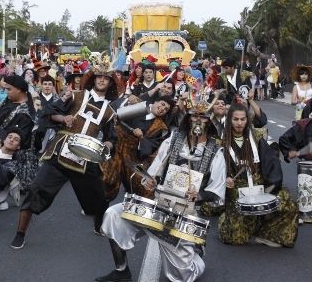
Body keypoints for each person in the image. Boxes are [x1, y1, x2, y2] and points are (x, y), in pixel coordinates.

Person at [95, 97, 226, 282]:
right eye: (193, 116)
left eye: (203, 118)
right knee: (113, 215)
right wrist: (150, 181)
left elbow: (217, 192)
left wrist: (200, 195)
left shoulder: (216, 151)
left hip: (184, 213)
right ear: (187, 119)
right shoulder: (172, 140)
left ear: (209, 121)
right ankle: (121, 271)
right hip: (158, 204)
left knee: (180, 276)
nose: (197, 121)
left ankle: (195, 251)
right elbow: (153, 173)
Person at [10, 64, 118, 249]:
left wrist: (108, 144)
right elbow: (50, 113)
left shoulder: (110, 112)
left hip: (85, 159)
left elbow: (111, 139)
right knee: (36, 189)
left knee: (101, 197)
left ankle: (99, 225)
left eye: (106, 78)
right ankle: (20, 233)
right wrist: (64, 119)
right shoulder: (75, 95)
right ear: (93, 79)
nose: (101, 80)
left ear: (110, 83)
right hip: (60, 154)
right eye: (99, 77)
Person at [218, 103, 298, 248]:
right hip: (237, 189)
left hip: (260, 185)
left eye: (243, 119)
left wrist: (271, 188)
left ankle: (266, 232)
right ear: (229, 120)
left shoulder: (257, 137)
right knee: (236, 238)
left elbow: (271, 163)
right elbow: (216, 169)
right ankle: (225, 218)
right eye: (235, 119)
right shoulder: (221, 141)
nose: (239, 123)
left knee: (289, 202)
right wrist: (225, 179)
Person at [101, 96, 174, 201]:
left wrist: (141, 138)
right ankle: (100, 207)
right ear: (156, 101)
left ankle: (137, 210)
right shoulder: (138, 107)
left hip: (133, 156)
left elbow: (151, 146)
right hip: (116, 147)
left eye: (166, 109)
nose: (162, 109)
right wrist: (127, 102)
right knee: (106, 178)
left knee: (144, 185)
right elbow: (115, 117)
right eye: (162, 104)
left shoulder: (160, 127)